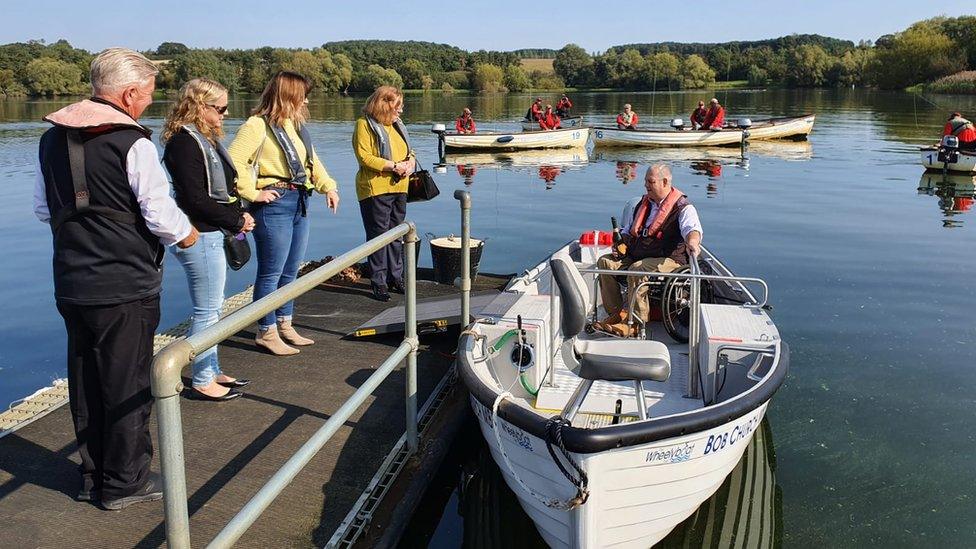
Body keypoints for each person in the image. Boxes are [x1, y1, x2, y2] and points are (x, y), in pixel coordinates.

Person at [34, 48, 198, 510]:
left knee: (85, 379)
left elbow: (43, 209)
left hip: (71, 280)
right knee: (127, 384)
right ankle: (125, 483)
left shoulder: (50, 141)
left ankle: (92, 476)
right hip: (126, 283)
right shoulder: (135, 144)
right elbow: (159, 214)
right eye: (146, 95)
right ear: (129, 94)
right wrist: (188, 236)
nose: (147, 103)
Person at [228, 71, 340, 356]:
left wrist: (329, 187)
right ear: (289, 95)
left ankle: (284, 323)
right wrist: (253, 193)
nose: (306, 100)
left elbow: (312, 162)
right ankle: (266, 331)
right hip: (274, 204)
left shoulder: (296, 126)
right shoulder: (256, 126)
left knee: (291, 269)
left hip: (299, 200)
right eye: (302, 95)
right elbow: (233, 163)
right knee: (271, 272)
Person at [161, 78, 254, 401]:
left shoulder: (204, 140)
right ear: (200, 107)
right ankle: (202, 379)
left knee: (213, 309)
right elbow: (194, 198)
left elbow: (223, 189)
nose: (225, 114)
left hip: (213, 232)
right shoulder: (184, 144)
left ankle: (212, 369)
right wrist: (237, 218)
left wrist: (238, 213)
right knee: (207, 310)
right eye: (221, 108)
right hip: (199, 234)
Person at [593, 164, 702, 338]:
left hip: (669, 260)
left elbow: (692, 229)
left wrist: (693, 242)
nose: (646, 185)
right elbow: (628, 230)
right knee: (605, 263)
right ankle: (616, 313)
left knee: (637, 268)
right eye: (645, 181)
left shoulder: (683, 208)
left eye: (650, 182)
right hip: (638, 254)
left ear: (665, 182)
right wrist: (620, 242)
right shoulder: (642, 204)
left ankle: (636, 323)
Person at [352, 86, 416, 301]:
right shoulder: (364, 125)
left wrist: (410, 163)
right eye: (398, 106)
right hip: (375, 189)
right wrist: (393, 166)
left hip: (400, 188)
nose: (401, 111)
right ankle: (378, 281)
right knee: (378, 236)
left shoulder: (398, 126)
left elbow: (410, 151)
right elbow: (365, 157)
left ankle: (395, 277)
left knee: (396, 235)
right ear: (385, 105)